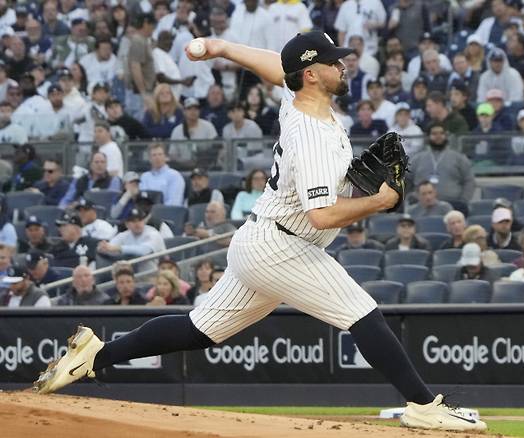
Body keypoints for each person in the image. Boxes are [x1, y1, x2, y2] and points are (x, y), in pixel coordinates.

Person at [33, 32, 487, 434]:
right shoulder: (310, 133)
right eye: (334, 61)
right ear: (312, 75)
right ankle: (425, 406)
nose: (342, 65)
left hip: (263, 240)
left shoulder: (300, 100)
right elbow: (322, 217)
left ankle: (94, 355)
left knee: (199, 329)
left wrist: (224, 47)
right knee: (362, 312)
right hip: (282, 244)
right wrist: (379, 202)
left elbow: (279, 67)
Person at [409, 122, 475, 213]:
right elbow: (407, 181)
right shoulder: (417, 159)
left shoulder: (459, 158)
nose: (438, 136)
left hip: (453, 205)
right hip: (421, 207)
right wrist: (413, 196)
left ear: (446, 135)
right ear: (428, 137)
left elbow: (469, 180)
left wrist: (463, 200)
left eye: (441, 133)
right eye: (434, 134)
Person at [97, 208, 166, 273]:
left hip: (154, 275)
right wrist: (104, 248)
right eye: (133, 221)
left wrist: (118, 248)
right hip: (131, 277)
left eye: (140, 220)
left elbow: (144, 251)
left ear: (144, 221)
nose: (137, 224)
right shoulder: (124, 235)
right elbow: (110, 247)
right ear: (127, 224)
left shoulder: (153, 233)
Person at [124, 13, 157, 120]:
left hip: (144, 90)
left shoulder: (143, 40)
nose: (154, 28)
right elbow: (135, 67)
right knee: (139, 121)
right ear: (146, 24)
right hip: (138, 93)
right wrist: (143, 93)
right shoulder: (138, 40)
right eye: (153, 25)